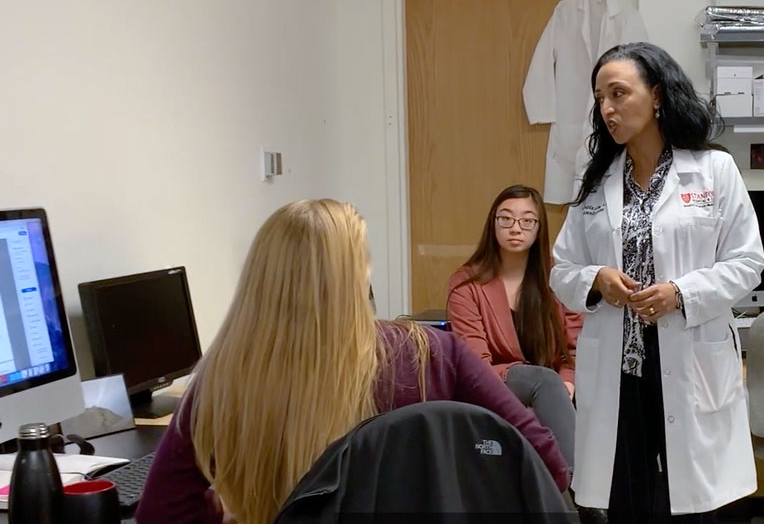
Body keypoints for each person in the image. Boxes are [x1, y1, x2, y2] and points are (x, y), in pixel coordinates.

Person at [136, 200, 569, 524]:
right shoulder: (430, 353)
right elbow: (548, 465)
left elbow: (159, 514)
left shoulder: (223, 380)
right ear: (358, 278)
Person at [550, 42, 764, 523]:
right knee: (627, 498)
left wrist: (681, 293)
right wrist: (597, 279)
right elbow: (561, 269)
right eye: (600, 97)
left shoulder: (713, 170)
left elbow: (748, 260)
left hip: (690, 357)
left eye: (619, 93)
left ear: (658, 96)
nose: (607, 108)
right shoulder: (596, 183)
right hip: (619, 368)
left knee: (694, 505)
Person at [448, 184, 583, 473]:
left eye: (527, 221)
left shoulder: (558, 278)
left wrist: (567, 384)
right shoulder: (466, 284)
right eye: (505, 219)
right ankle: (578, 490)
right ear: (493, 224)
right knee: (542, 381)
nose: (515, 228)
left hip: (555, 388)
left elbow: (575, 348)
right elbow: (476, 366)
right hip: (494, 383)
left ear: (538, 229)